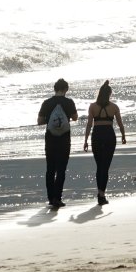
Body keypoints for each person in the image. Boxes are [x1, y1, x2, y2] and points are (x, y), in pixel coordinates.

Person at [83, 80, 127, 207]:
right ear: (109, 94)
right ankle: (102, 195)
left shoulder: (92, 107)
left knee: (99, 166)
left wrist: (86, 140)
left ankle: (99, 193)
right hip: (109, 136)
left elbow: (89, 125)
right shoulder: (114, 107)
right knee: (105, 167)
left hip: (96, 136)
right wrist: (123, 136)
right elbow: (120, 124)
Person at [37, 79, 78, 209]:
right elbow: (75, 117)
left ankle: (50, 198)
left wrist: (50, 120)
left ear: (55, 89)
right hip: (64, 139)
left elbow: (39, 121)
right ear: (66, 89)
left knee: (50, 169)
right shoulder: (69, 102)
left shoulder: (47, 103)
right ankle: (57, 198)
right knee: (61, 169)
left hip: (50, 138)